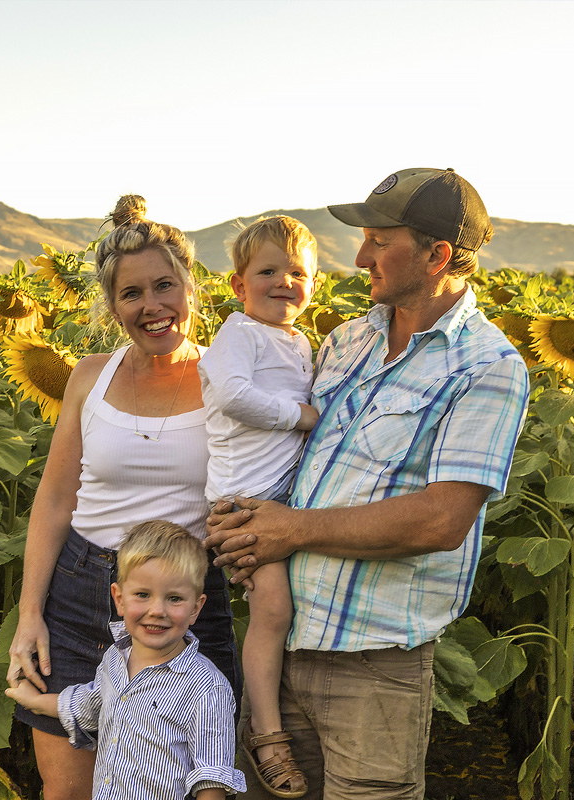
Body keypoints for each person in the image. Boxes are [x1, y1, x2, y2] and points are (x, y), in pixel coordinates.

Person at [205, 168, 531, 800]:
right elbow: (277, 445)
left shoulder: (487, 367)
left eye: (380, 241)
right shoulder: (346, 340)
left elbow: (442, 520)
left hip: (374, 670)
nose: (360, 258)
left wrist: (286, 530)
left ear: (437, 255)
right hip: (280, 644)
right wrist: (235, 518)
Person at [6, 195, 241, 800]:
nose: (151, 307)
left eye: (165, 286)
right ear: (113, 306)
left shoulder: (230, 383)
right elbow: (56, 499)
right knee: (69, 791)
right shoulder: (91, 375)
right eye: (131, 294)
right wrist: (30, 613)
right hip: (82, 590)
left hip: (184, 600)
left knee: (185, 783)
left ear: (192, 286)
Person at [198, 216, 321, 798]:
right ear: (238, 285)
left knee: (286, 610)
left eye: (297, 272)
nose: (284, 281)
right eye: (268, 270)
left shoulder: (299, 341)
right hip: (245, 504)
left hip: (283, 501)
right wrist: (299, 417)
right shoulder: (239, 334)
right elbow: (228, 394)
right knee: (271, 611)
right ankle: (266, 734)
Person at [6, 520, 248, 800]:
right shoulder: (115, 659)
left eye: (174, 598)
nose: (157, 610)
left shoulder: (206, 688)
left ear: (196, 608)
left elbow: (211, 779)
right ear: (119, 599)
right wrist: (35, 702)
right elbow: (90, 704)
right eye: (143, 595)